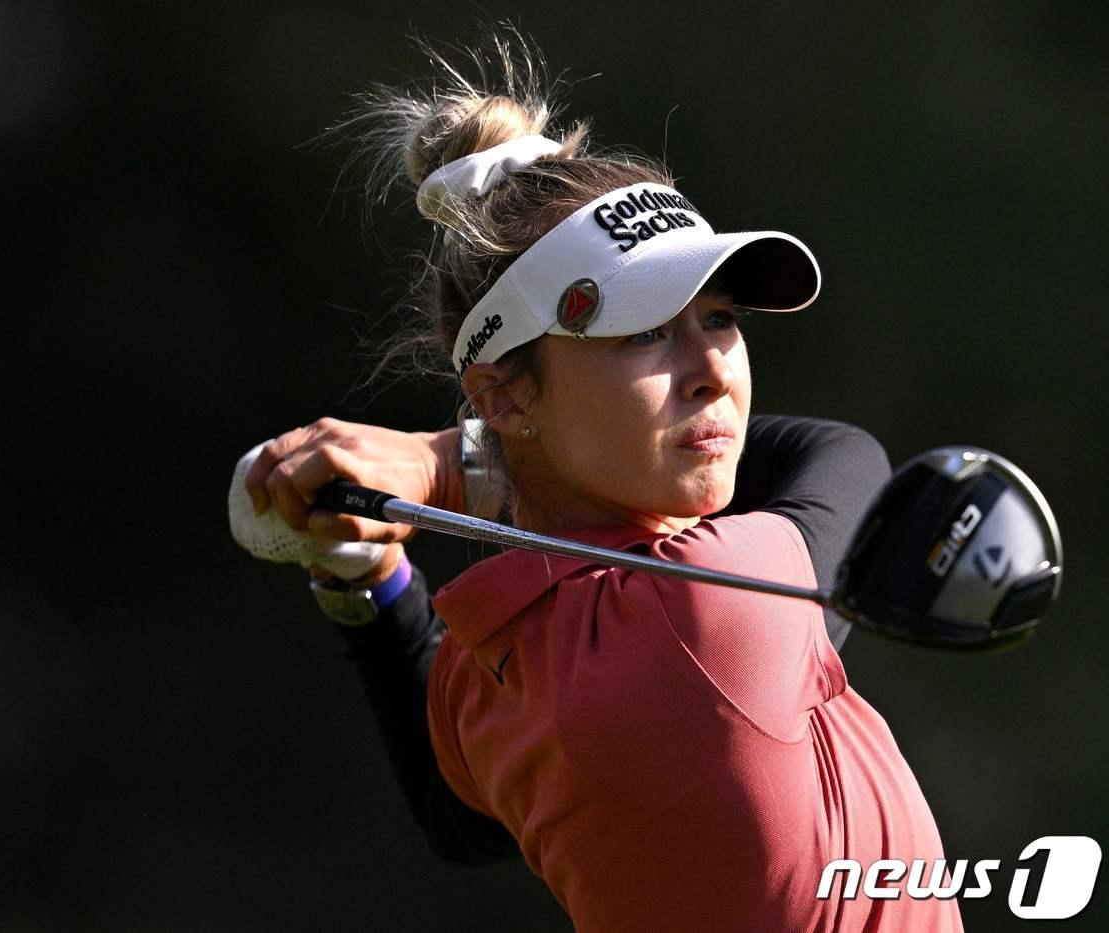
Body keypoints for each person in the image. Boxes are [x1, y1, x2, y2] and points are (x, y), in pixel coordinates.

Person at [237, 36, 963, 932]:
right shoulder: (706, 612)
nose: (712, 370)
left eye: (720, 318)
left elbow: (454, 812)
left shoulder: (484, 665)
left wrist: (370, 583)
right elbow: (844, 458)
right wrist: (441, 467)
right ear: (502, 395)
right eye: (644, 331)